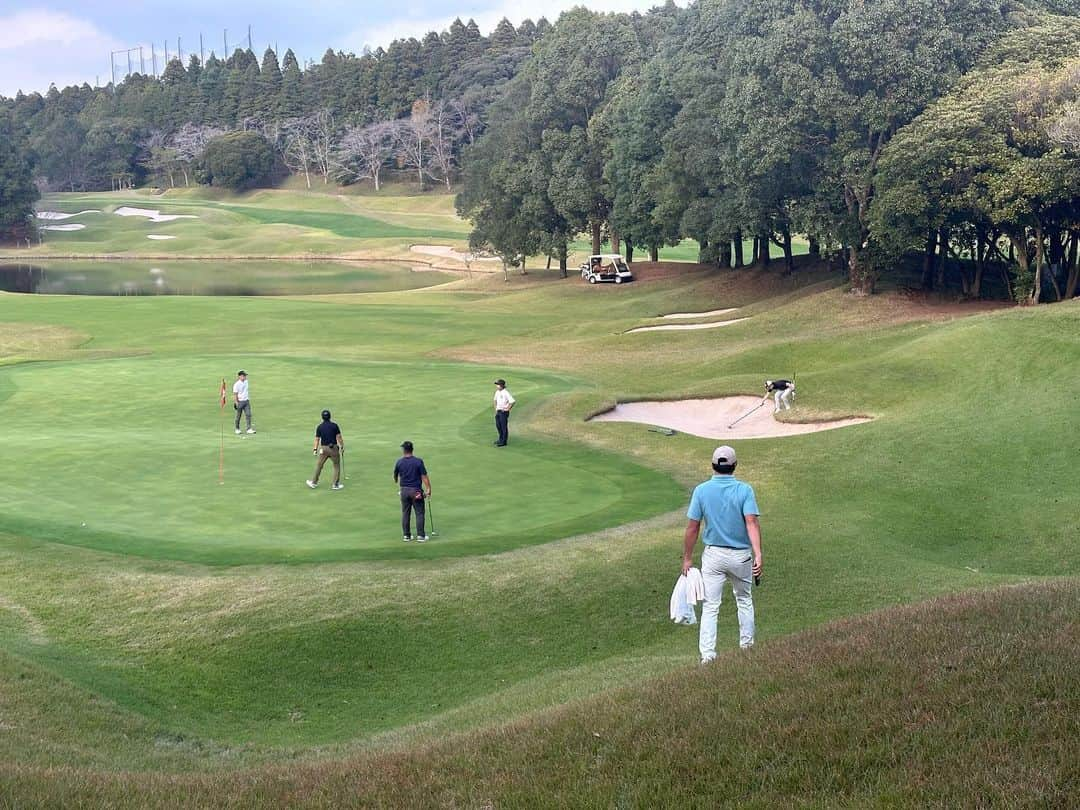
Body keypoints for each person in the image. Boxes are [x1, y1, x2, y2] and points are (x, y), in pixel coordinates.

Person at [681, 445, 763, 661]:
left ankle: (708, 657)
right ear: (735, 466)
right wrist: (758, 553)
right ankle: (747, 648)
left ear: (713, 465)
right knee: (744, 599)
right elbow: (751, 522)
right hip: (741, 556)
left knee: (710, 606)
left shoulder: (701, 490)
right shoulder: (745, 490)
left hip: (714, 556)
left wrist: (687, 558)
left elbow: (693, 527)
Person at [394, 441, 431, 542]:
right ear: (412, 449)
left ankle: (406, 536)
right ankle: (420, 536)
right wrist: (428, 489)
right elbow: (424, 477)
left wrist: (399, 483)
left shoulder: (399, 462)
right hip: (416, 491)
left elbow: (395, 477)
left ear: (403, 450)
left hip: (404, 491)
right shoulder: (418, 461)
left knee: (405, 513)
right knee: (419, 513)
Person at [306, 409, 344, 490]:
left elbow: (317, 439)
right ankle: (335, 485)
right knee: (336, 466)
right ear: (330, 416)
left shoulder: (320, 427)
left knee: (319, 466)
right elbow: (339, 437)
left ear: (322, 417)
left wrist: (315, 449)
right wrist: (342, 446)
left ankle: (313, 483)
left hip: (323, 449)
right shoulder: (334, 425)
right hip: (333, 448)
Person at [493, 378, 515, 446]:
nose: (497, 386)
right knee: (498, 426)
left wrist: (507, 409)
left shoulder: (506, 392)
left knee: (503, 427)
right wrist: (496, 408)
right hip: (498, 411)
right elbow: (494, 400)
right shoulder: (497, 392)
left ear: (501, 385)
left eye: (498, 384)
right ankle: (500, 439)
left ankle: (504, 441)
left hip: (503, 412)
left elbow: (512, 401)